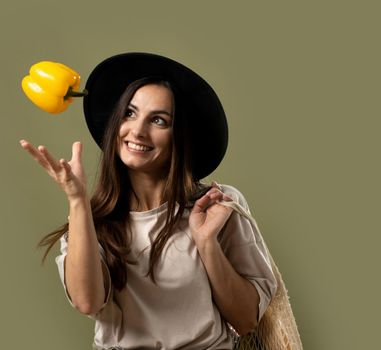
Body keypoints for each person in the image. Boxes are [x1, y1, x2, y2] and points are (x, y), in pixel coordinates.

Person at [20, 53, 277, 350]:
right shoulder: (90, 222)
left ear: (179, 136)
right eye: (129, 113)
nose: (138, 131)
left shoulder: (217, 205)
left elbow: (246, 321)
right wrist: (77, 201)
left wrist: (206, 242)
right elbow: (87, 302)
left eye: (158, 120)